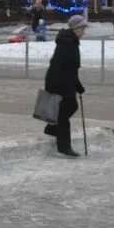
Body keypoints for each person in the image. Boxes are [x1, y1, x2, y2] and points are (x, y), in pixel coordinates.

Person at [43, 14, 87, 158]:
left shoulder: (71, 41)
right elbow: (57, 64)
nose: (83, 31)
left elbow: (72, 68)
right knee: (65, 112)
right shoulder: (67, 42)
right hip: (59, 81)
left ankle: (52, 128)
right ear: (76, 28)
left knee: (71, 106)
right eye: (82, 28)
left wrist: (78, 85)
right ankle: (63, 146)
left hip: (65, 80)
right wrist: (55, 84)